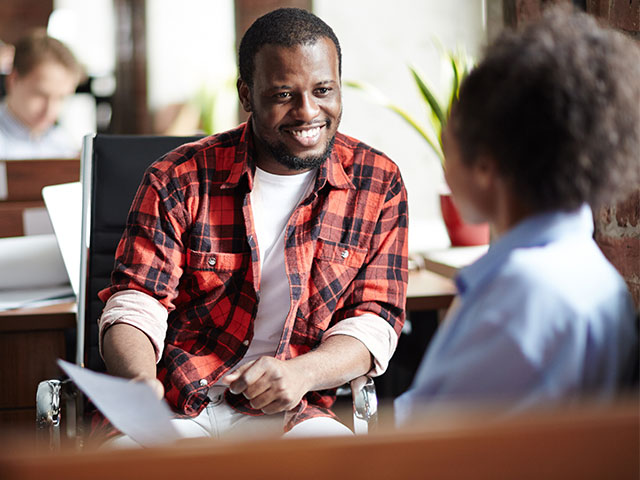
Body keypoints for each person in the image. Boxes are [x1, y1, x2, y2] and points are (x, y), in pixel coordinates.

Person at [98, 7, 408, 444]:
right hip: (173, 403)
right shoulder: (178, 177)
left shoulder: (377, 182)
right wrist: (137, 379)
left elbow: (375, 321)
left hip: (292, 410)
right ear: (247, 94)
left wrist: (302, 374)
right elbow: (137, 301)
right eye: (284, 95)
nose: (308, 113)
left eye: (323, 90)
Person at [395, 7, 639, 425]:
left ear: (486, 165)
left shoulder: (521, 298)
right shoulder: (584, 270)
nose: (443, 170)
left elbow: (425, 448)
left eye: (447, 148)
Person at [0, 29, 83, 159]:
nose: (50, 110)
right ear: (13, 81)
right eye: (40, 95)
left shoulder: (64, 144)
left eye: (61, 98)